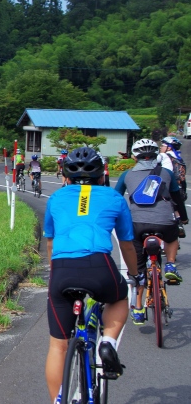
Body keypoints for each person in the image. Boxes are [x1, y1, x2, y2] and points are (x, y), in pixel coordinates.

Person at [44, 147, 138, 404]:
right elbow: (127, 244)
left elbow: (50, 243)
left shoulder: (56, 198)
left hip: (62, 270)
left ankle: (58, 400)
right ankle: (107, 342)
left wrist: (56, 274)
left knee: (58, 345)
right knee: (119, 297)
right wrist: (134, 273)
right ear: (102, 176)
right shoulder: (114, 198)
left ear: (66, 177)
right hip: (100, 266)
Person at [115, 139, 187, 323]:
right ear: (157, 155)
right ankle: (170, 264)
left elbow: (115, 198)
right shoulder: (167, 173)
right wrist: (184, 218)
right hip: (164, 222)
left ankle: (138, 307)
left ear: (134, 157)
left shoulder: (126, 174)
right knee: (173, 234)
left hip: (137, 224)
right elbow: (177, 197)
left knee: (138, 268)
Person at [158, 136, 188, 237]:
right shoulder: (179, 159)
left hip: (169, 187)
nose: (161, 147)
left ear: (169, 147)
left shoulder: (163, 156)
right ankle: (179, 223)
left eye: (163, 145)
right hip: (181, 189)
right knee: (177, 208)